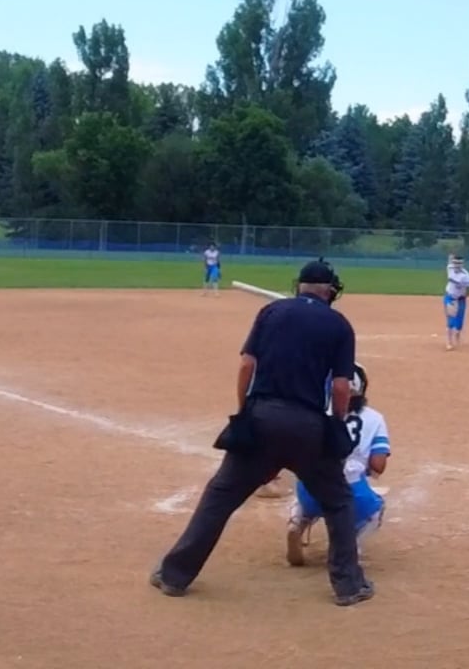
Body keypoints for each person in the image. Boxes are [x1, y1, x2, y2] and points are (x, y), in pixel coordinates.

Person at [150, 259, 373, 607]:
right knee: (339, 501)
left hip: (262, 416)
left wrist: (245, 412)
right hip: (308, 426)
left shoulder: (271, 312)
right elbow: (341, 387)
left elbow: (246, 365)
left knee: (219, 497)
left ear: (299, 285)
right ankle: (349, 586)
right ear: (330, 291)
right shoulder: (339, 324)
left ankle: (173, 576)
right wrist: (335, 424)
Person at [285, 362, 390, 568]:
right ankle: (351, 546)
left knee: (306, 487)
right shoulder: (375, 418)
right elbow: (379, 465)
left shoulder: (313, 410)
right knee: (376, 511)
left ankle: (298, 520)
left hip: (310, 488)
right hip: (352, 493)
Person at [443, 254, 469, 351]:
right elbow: (449, 262)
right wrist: (451, 257)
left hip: (460, 299)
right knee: (451, 320)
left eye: (459, 263)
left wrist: (464, 296)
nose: (456, 265)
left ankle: (457, 335)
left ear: (462, 264)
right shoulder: (450, 268)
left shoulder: (466, 276)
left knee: (459, 323)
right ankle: (449, 342)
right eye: (455, 263)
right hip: (450, 298)